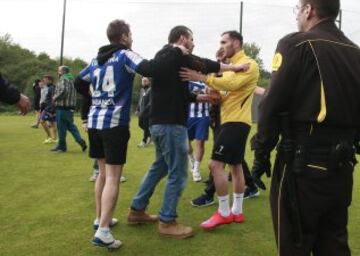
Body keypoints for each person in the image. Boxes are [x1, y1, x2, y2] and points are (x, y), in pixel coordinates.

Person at [75, 19, 201, 249]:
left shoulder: (95, 60)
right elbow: (151, 69)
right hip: (114, 123)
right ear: (123, 37)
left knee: (102, 173)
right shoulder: (125, 54)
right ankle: (103, 231)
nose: (131, 38)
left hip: (94, 121)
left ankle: (100, 218)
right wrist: (174, 51)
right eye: (130, 34)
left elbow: (78, 82)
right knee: (113, 177)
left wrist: (96, 99)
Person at [250, 0, 360, 255]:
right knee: (334, 243)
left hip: (302, 165)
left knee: (294, 244)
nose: (298, 14)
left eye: (299, 8)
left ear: (309, 9)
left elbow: (270, 105)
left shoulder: (296, 43)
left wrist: (261, 153)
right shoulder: (355, 52)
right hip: (343, 166)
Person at [128, 25, 248, 239]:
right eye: (191, 39)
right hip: (170, 125)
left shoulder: (170, 58)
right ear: (183, 39)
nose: (193, 44)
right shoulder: (171, 53)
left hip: (161, 123)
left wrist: (198, 97)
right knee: (179, 173)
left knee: (160, 167)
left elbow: (172, 89)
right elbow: (204, 64)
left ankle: (137, 210)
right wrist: (235, 68)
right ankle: (167, 221)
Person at [180, 30, 259, 231]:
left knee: (215, 165)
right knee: (236, 167)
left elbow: (231, 84)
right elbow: (221, 95)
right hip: (229, 122)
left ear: (237, 43)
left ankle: (223, 213)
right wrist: (211, 88)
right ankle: (237, 211)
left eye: (224, 41)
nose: (221, 45)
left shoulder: (249, 63)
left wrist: (202, 76)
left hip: (236, 122)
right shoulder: (230, 68)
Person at [51, 66, 87, 153]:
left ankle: (62, 147)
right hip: (70, 108)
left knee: (61, 128)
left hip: (62, 107)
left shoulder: (64, 79)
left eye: (59, 71)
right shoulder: (72, 80)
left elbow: (63, 91)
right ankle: (80, 141)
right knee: (71, 126)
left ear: (63, 72)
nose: (58, 72)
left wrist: (54, 98)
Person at [187, 81, 211, 182]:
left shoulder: (208, 80)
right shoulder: (186, 80)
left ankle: (196, 169)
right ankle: (191, 159)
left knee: (200, 142)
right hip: (188, 116)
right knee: (186, 146)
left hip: (203, 116)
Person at [40, 75, 57, 144]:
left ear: (50, 80)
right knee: (52, 123)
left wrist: (53, 109)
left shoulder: (52, 88)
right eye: (44, 80)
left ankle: (50, 137)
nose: (44, 81)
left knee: (42, 121)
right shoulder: (50, 87)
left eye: (45, 80)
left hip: (50, 109)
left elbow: (54, 98)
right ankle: (54, 138)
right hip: (49, 108)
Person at [137, 77, 152, 148]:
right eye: (143, 81)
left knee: (146, 127)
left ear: (149, 82)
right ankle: (150, 135)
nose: (144, 82)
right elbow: (140, 101)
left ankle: (144, 141)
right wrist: (137, 109)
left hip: (147, 112)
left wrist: (145, 110)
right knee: (140, 124)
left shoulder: (151, 90)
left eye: (145, 81)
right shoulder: (142, 90)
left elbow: (150, 102)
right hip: (141, 112)